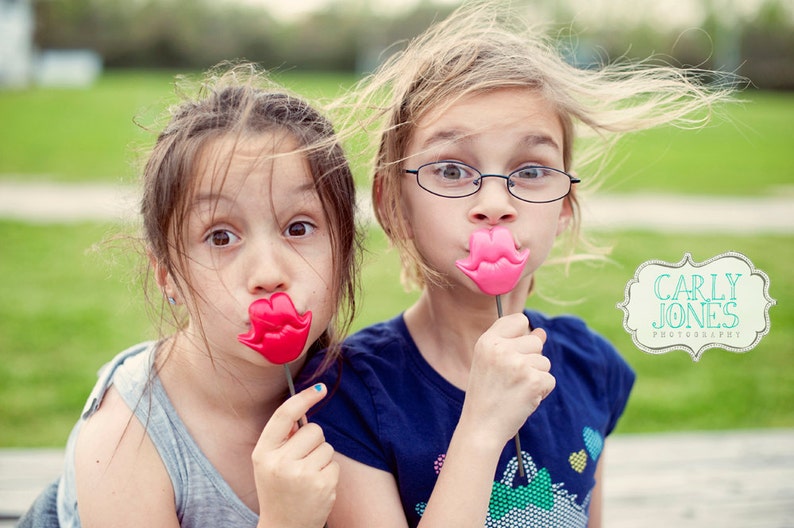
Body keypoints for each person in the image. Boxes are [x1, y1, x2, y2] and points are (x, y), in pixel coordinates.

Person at [297, 3, 736, 527]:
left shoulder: (589, 367)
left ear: (564, 209)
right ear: (393, 205)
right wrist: (482, 425)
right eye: (453, 169)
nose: (495, 202)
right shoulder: (347, 396)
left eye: (530, 171)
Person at [18, 63, 360, 528]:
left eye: (298, 227)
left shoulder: (360, 391)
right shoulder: (127, 437)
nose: (268, 273)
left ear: (345, 247)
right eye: (221, 237)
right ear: (166, 274)